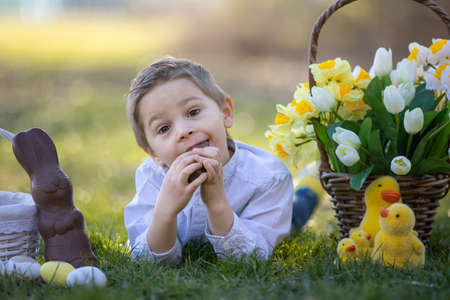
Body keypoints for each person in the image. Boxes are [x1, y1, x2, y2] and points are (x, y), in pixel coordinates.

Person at [124, 57, 293, 265]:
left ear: (226, 113)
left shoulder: (268, 179)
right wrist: (164, 212)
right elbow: (146, 261)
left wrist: (216, 202)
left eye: (193, 112)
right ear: (153, 153)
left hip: (276, 211)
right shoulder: (152, 177)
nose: (184, 131)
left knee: (298, 212)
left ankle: (308, 190)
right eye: (164, 128)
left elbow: (250, 259)